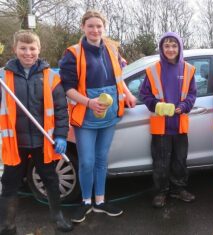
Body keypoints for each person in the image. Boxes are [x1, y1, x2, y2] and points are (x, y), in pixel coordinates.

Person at [59, 10, 136, 223]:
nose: (95, 30)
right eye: (91, 26)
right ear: (83, 27)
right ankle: (85, 202)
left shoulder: (112, 50)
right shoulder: (72, 54)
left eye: (99, 26)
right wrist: (89, 102)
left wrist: (128, 94)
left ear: (104, 27)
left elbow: (119, 79)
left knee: (102, 160)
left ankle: (100, 202)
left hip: (109, 114)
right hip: (85, 115)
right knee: (86, 161)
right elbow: (67, 89)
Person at [0, 30, 73, 234]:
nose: (28, 52)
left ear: (39, 50)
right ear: (15, 49)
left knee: (50, 179)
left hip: (44, 141)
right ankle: (7, 225)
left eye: (32, 48)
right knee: (9, 184)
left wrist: (60, 135)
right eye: (23, 48)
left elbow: (60, 109)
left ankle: (57, 218)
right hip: (15, 143)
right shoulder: (3, 77)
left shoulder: (51, 77)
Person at [140, 32, 197, 208]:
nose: (170, 49)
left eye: (174, 45)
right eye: (167, 46)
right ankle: (161, 192)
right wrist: (157, 105)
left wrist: (184, 106)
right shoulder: (152, 70)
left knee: (180, 160)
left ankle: (178, 189)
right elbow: (144, 95)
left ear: (179, 47)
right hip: (160, 126)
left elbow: (193, 94)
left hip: (180, 125)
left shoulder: (188, 69)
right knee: (161, 162)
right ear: (161, 49)